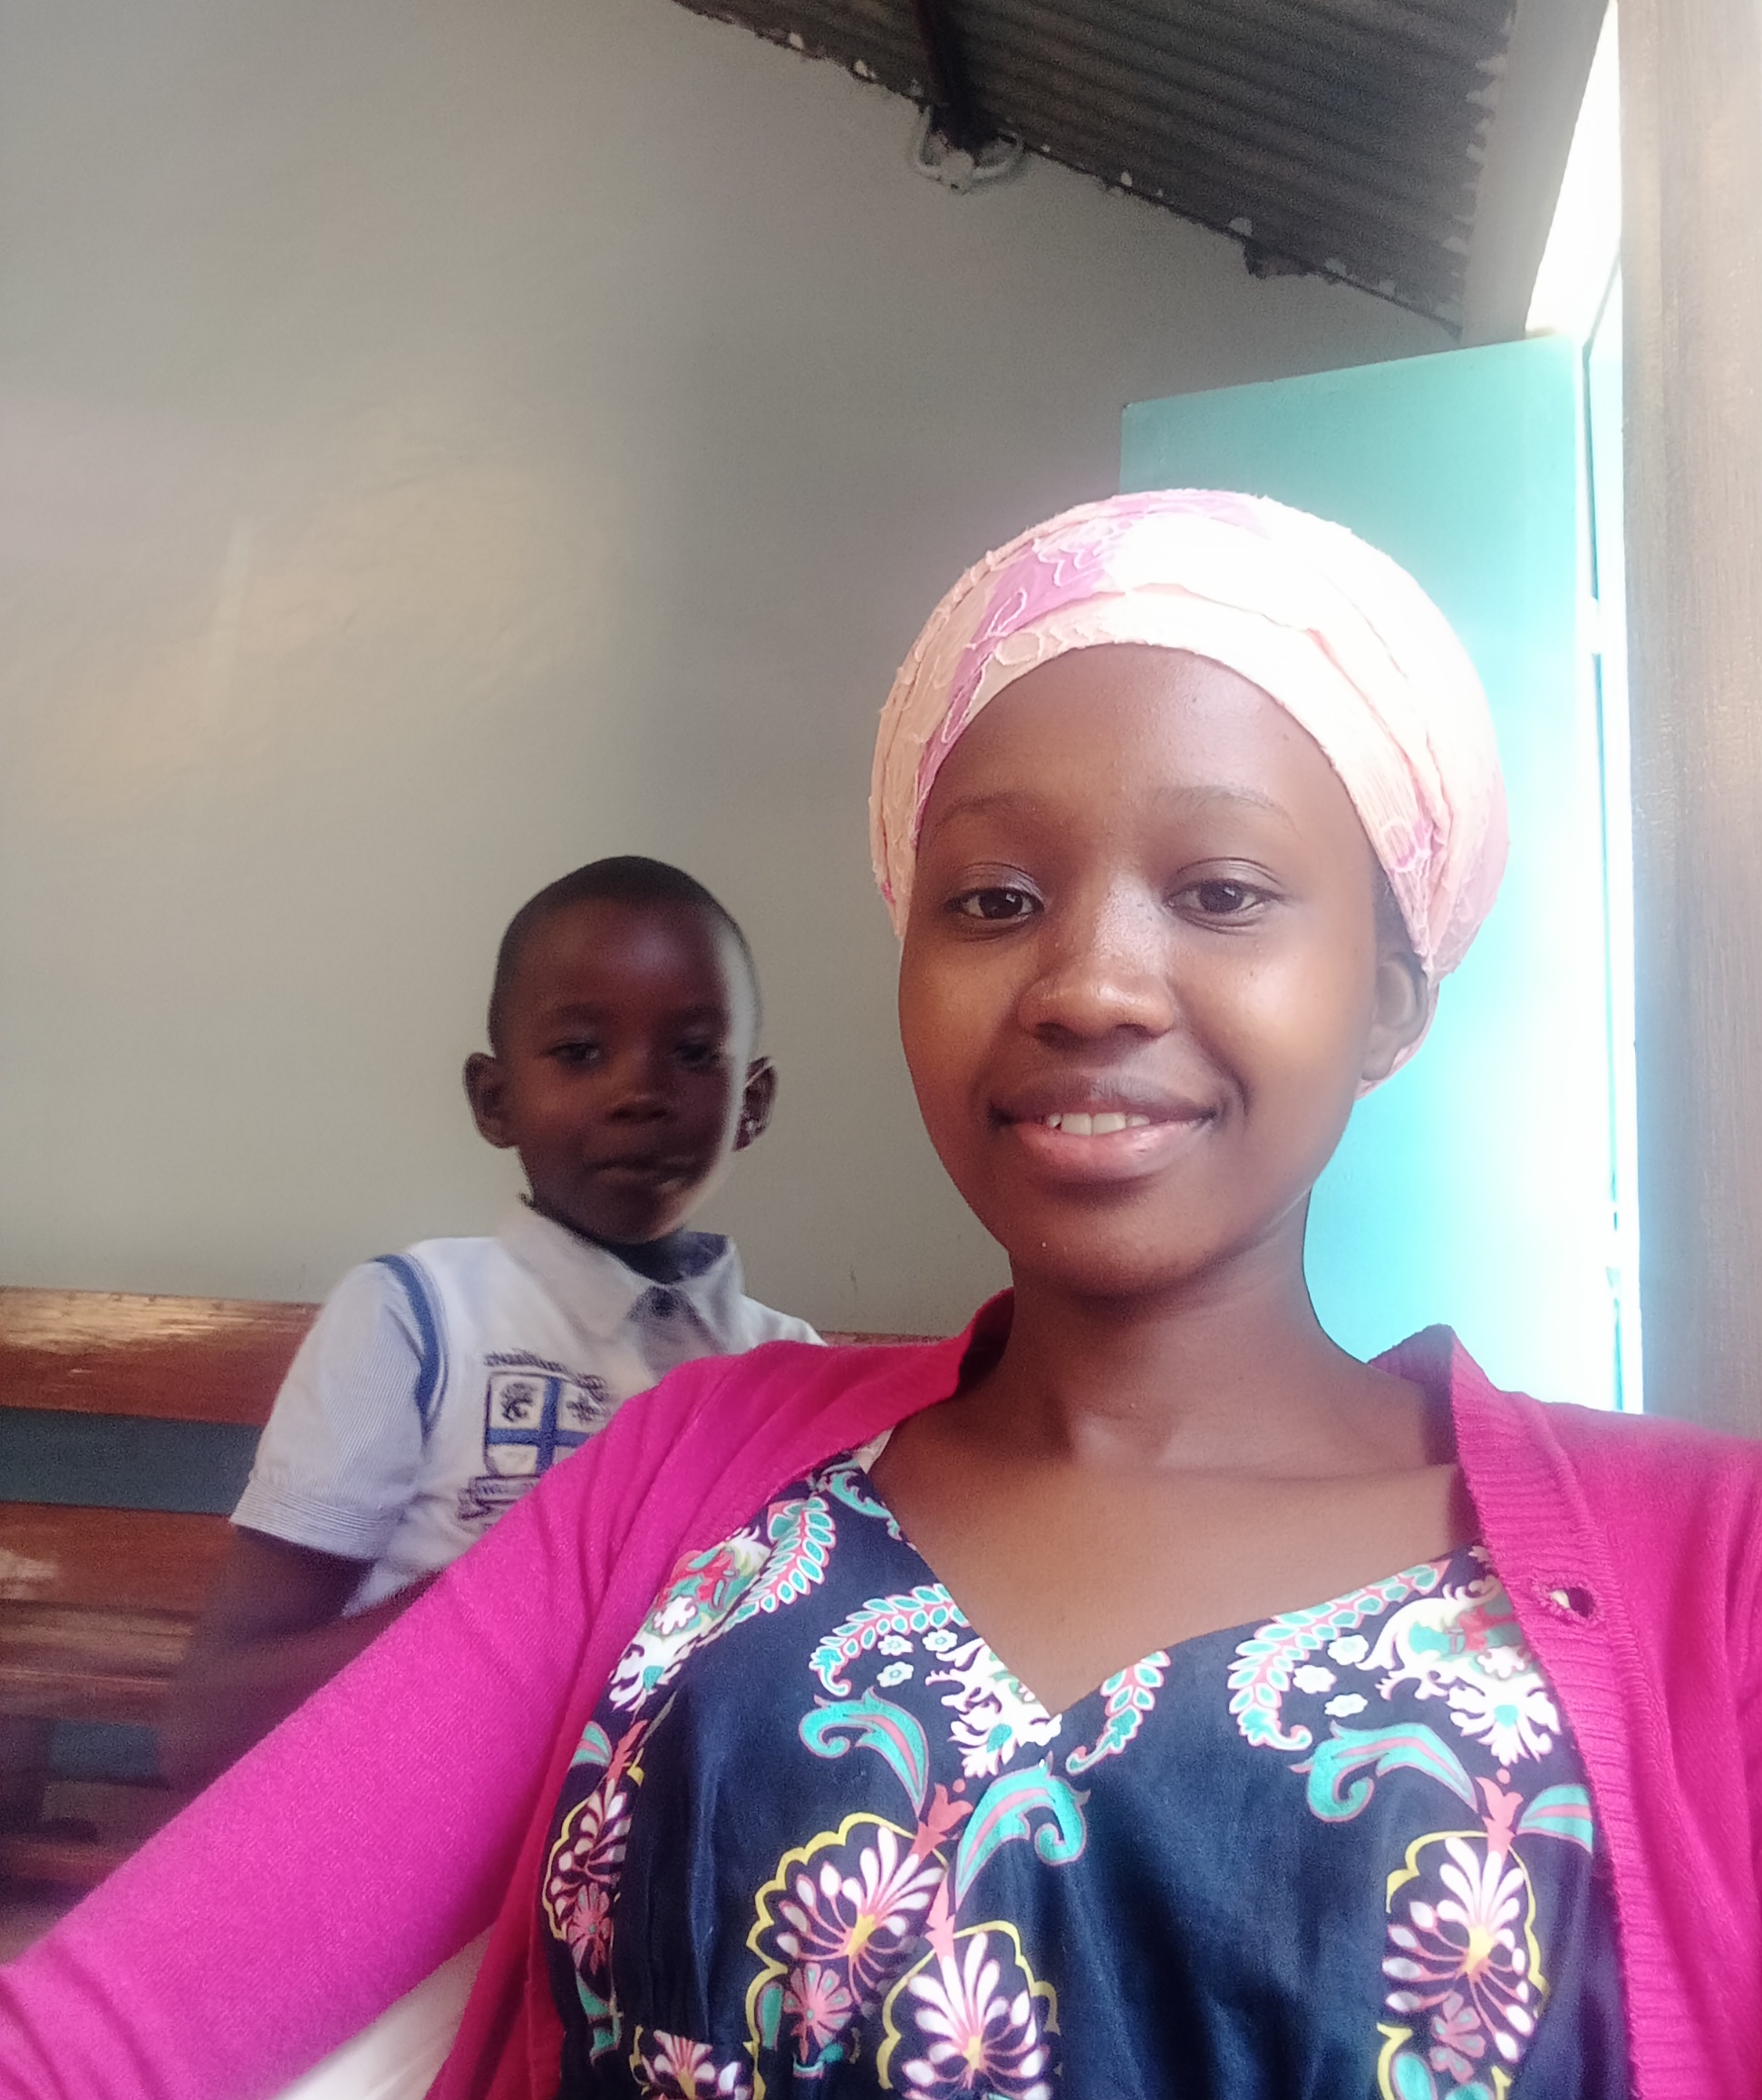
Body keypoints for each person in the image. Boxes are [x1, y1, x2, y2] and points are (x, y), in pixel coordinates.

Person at [5, 490, 1759, 2100]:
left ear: (1388, 994)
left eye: (1221, 892)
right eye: (993, 898)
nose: (1088, 982)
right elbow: (125, 2021)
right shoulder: (689, 1468)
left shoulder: (1712, 1572)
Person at [163, 853, 818, 1785]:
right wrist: (534, 1587)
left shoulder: (792, 1374)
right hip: (425, 1829)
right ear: (494, 1100)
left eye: (691, 1053)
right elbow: (210, 1726)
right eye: (580, 1052)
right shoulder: (415, 1318)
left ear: (751, 1104)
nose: (640, 1092)